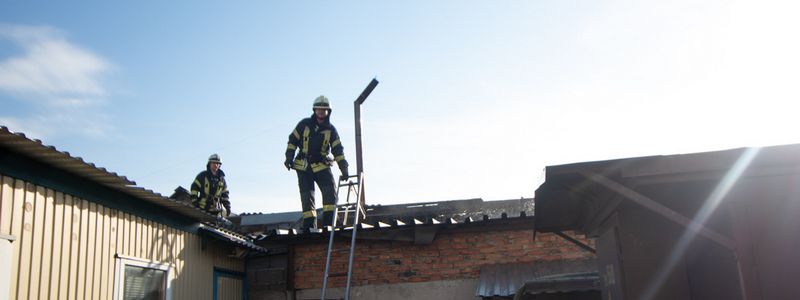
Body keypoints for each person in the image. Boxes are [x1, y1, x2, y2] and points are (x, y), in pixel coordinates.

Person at [285, 95, 349, 229]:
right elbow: (292, 141)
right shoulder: (304, 124)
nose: (321, 112)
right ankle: (310, 227)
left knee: (330, 194)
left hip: (321, 165)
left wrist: (344, 169)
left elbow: (338, 150)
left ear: (328, 112)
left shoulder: (331, 130)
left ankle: (329, 224)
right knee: (307, 198)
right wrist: (289, 157)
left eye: (324, 109)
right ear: (314, 110)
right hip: (303, 166)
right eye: (319, 109)